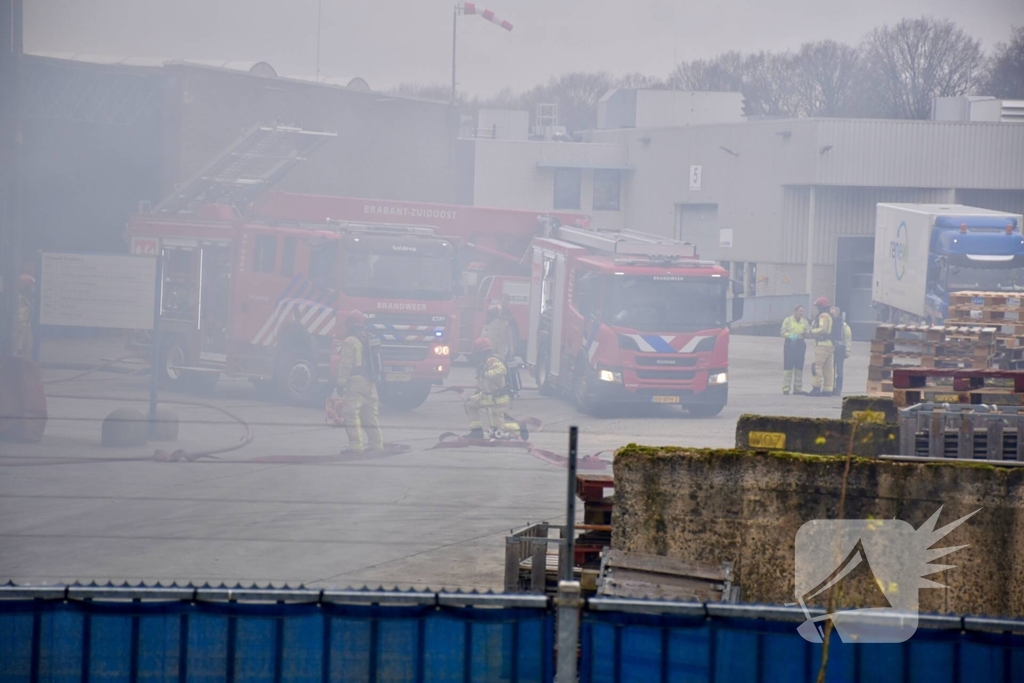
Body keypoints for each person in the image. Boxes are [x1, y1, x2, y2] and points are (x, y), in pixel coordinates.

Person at [335, 310, 384, 452]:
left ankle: (355, 447)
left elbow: (346, 365)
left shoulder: (350, 341)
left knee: (351, 414)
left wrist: (340, 383)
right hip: (371, 382)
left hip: (356, 383)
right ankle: (377, 444)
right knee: (369, 415)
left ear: (349, 325)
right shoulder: (371, 338)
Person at [464, 337, 526, 440]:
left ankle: (518, 428)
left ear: (481, 351)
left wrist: (485, 374)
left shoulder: (492, 360)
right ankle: (476, 432)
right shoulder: (485, 361)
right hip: (487, 397)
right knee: (469, 404)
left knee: (498, 429)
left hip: (496, 400)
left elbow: (501, 370)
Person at [780, 304, 810, 394]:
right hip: (790, 344)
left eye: (802, 311)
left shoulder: (804, 322)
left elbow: (808, 332)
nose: (801, 313)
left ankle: (797, 389)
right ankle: (786, 388)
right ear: (795, 311)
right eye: (800, 311)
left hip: (800, 344)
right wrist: (793, 336)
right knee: (788, 367)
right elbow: (782, 332)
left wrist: (807, 333)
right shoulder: (788, 320)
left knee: (799, 367)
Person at [808, 297, 835, 396]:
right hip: (830, 345)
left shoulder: (823, 316)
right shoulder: (830, 316)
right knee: (828, 368)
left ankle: (816, 387)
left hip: (822, 345)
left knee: (816, 366)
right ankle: (828, 389)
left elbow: (823, 329)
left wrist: (811, 331)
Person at [830, 306, 852, 395]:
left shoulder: (844, 326)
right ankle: (830, 387)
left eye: (833, 313)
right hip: (830, 349)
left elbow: (848, 339)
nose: (832, 315)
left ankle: (838, 389)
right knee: (830, 370)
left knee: (839, 371)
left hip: (840, 350)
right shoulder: (829, 324)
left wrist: (847, 351)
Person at [16, 274, 35, 359]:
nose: (31, 289)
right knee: (19, 348)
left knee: (28, 349)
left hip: (27, 326)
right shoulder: (17, 299)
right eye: (29, 286)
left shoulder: (30, 299)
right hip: (20, 327)